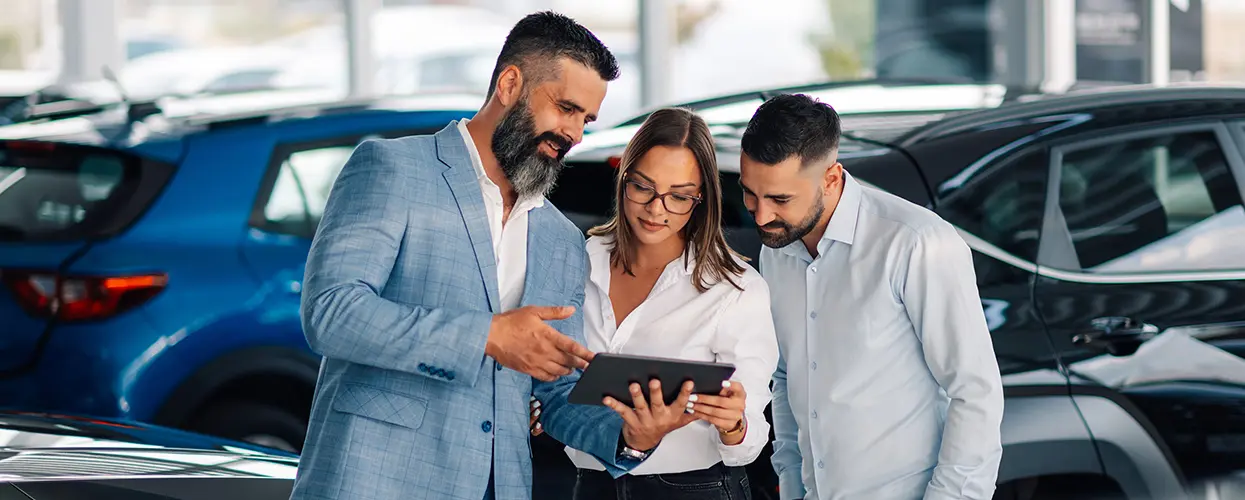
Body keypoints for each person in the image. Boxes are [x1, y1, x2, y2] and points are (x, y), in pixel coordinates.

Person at [289, 12, 693, 500]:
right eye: (565, 108)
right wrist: (487, 335)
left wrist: (631, 437)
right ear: (509, 83)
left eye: (585, 119)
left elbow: (554, 392)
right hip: (373, 481)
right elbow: (331, 313)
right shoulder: (392, 168)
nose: (575, 135)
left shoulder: (561, 238)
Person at [737, 93, 1005, 500]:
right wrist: (792, 485)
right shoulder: (777, 250)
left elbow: (974, 392)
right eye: (750, 194)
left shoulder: (916, 243)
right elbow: (789, 378)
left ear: (830, 177)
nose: (760, 216)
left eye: (780, 199)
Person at [533, 107, 779, 499]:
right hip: (590, 485)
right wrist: (536, 404)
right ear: (624, 177)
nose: (656, 208)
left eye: (679, 196)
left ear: (701, 200)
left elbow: (749, 443)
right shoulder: (578, 262)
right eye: (643, 187)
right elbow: (550, 378)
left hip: (693, 488)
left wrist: (734, 425)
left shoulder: (736, 289)